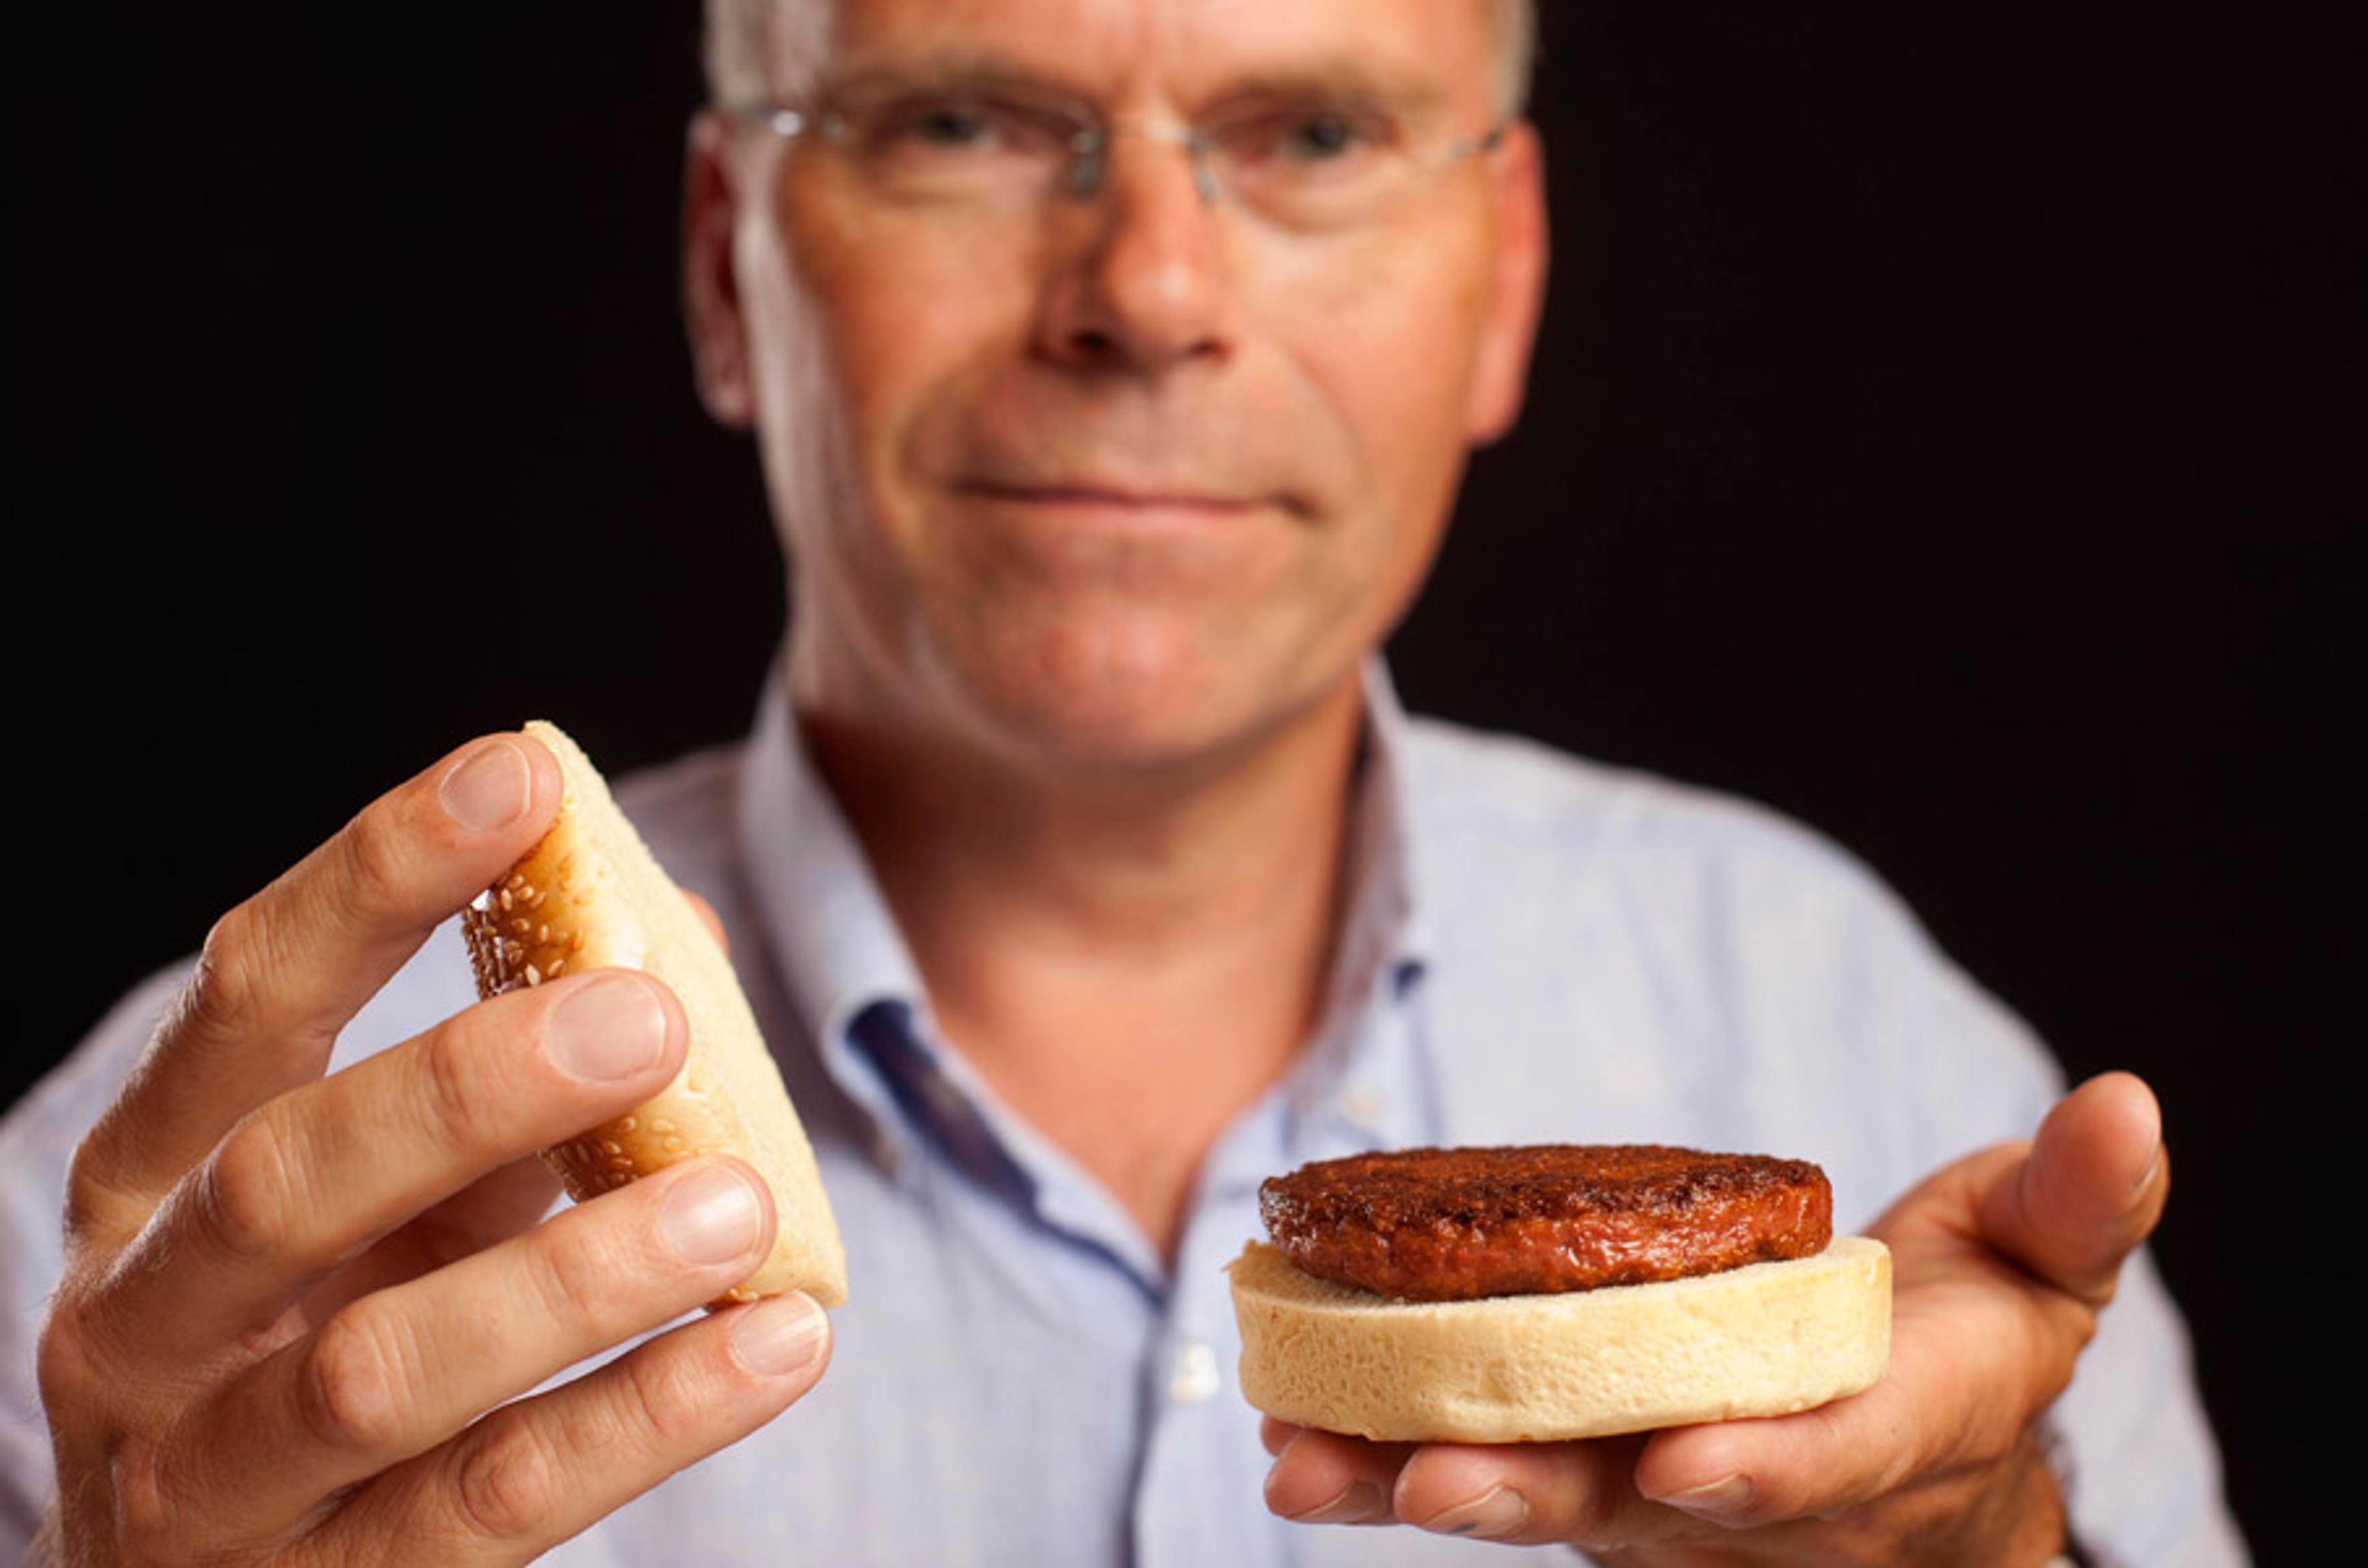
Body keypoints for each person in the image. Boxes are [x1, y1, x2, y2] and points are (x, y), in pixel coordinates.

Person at [1, 1, 2247, 1563]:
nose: (1150, 290)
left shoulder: (1851, 1024)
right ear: (723, 266)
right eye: (966, 119)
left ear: (1507, 283)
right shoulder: (177, 1248)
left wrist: (1977, 1559)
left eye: (1314, 135)